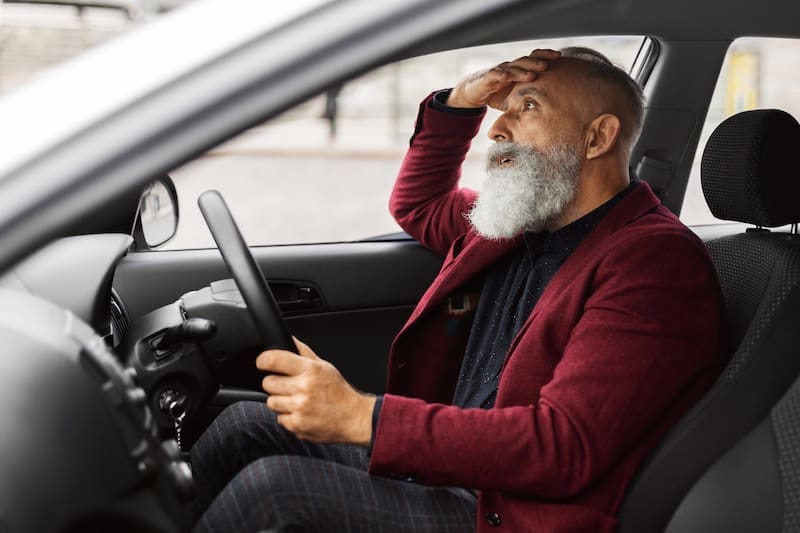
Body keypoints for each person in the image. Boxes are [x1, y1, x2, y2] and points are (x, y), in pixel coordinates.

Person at [190, 47, 724, 532]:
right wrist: (459, 101)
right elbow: (417, 205)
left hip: (507, 511)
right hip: (456, 468)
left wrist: (362, 417)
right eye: (502, 108)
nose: (498, 128)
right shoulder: (518, 221)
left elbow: (563, 446)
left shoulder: (654, 262)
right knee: (243, 426)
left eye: (528, 107)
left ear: (597, 137)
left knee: (275, 493)